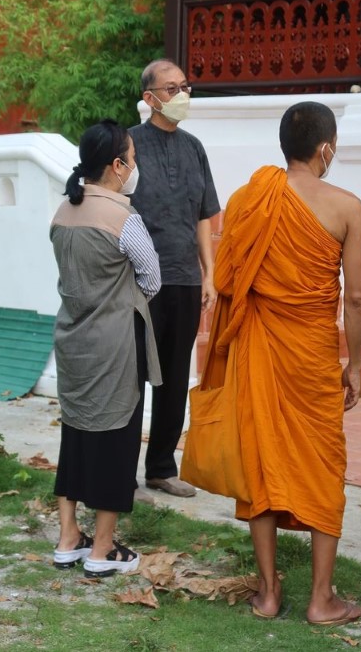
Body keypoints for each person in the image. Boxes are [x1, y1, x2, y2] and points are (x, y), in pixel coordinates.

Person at [207, 101, 361, 623]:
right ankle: (322, 598)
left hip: (260, 349)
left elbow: (229, 280)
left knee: (260, 459)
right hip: (313, 356)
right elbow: (355, 298)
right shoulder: (347, 207)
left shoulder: (248, 198)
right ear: (326, 149)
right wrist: (355, 364)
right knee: (324, 464)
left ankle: (269, 592)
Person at [50, 119, 162, 578]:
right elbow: (152, 279)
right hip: (115, 344)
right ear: (117, 166)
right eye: (131, 158)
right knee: (116, 439)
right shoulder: (123, 218)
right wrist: (118, 298)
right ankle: (102, 549)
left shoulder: (63, 212)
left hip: (71, 339)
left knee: (75, 435)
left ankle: (67, 538)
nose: (134, 166)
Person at [129, 59, 221, 498]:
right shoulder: (129, 144)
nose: (181, 94)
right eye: (171, 88)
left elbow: (204, 215)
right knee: (131, 376)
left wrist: (209, 273)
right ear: (150, 99)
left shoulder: (195, 147)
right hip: (138, 280)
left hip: (184, 278)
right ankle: (119, 468)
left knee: (174, 376)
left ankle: (161, 468)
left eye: (185, 86)